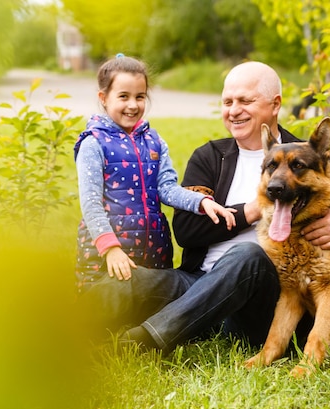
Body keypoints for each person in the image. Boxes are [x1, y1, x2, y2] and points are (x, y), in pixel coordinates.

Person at [80, 61, 330, 352]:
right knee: (131, 281)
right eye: (228, 102)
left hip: (262, 302)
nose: (234, 111)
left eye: (245, 101)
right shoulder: (209, 157)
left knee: (248, 255)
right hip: (198, 284)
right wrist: (252, 210)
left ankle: (146, 341)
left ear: (275, 105)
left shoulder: (308, 159)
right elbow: (186, 231)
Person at [73, 54, 235, 338]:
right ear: (103, 97)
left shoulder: (154, 141)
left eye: (140, 96)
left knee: (148, 303)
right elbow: (90, 203)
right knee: (106, 306)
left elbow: (167, 188)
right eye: (123, 96)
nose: (133, 105)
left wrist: (201, 201)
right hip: (109, 254)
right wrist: (110, 249)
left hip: (153, 253)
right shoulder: (93, 143)